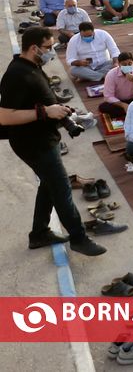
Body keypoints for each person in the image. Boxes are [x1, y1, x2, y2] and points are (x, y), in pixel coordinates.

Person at [0, 28, 106, 256]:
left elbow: (41, 97)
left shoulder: (33, 66)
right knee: (61, 188)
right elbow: (5, 117)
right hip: (33, 144)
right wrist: (45, 112)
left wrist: (60, 110)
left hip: (45, 138)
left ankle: (39, 233)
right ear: (34, 48)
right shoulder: (16, 75)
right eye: (48, 48)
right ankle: (79, 238)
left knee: (49, 185)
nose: (51, 52)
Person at [99, 52, 133, 118]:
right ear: (119, 64)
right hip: (119, 101)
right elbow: (108, 96)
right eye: (124, 64)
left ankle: (131, 111)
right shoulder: (111, 74)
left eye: (129, 64)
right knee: (103, 107)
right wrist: (123, 105)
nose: (127, 66)